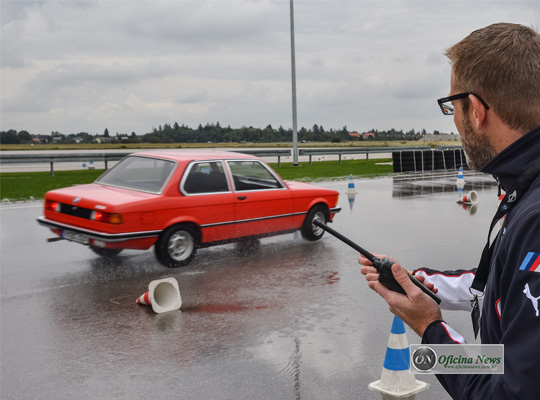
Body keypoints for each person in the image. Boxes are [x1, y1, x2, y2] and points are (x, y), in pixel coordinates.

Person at [359, 23, 540, 399]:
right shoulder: (523, 187)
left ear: (474, 110)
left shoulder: (535, 216)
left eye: (451, 107)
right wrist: (424, 283)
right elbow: (504, 292)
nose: (454, 121)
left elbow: (507, 391)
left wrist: (430, 331)